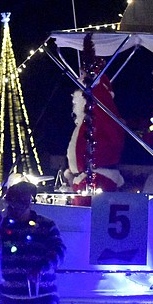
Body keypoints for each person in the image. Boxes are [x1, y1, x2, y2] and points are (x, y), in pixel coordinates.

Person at [64, 35, 126, 195]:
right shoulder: (88, 117)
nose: (80, 79)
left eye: (83, 75)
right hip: (83, 179)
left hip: (95, 180)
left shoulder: (101, 112)